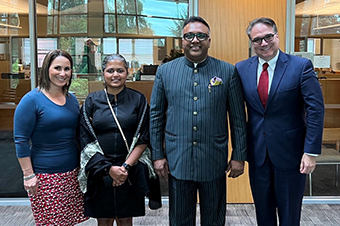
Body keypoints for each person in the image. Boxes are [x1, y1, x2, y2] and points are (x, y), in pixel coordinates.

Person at [149, 16, 247, 226]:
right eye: (189, 36)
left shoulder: (227, 71)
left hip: (214, 158)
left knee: (214, 219)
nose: (195, 40)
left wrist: (239, 155)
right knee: (180, 219)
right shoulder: (165, 72)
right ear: (182, 41)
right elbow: (156, 116)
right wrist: (157, 155)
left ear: (209, 40)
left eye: (201, 35)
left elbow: (238, 119)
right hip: (178, 159)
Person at [235, 17, 325, 226]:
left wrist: (310, 152)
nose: (264, 43)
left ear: (277, 36)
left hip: (292, 156)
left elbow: (315, 110)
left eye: (268, 37)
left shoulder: (301, 66)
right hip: (258, 155)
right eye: (257, 40)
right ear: (251, 42)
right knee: (263, 215)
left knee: (289, 216)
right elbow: (239, 113)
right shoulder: (241, 69)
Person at [79, 54, 158, 226]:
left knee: (125, 219)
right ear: (103, 73)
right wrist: (108, 169)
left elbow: (144, 136)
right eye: (110, 70)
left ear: (127, 72)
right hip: (100, 169)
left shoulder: (138, 100)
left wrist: (125, 168)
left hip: (130, 168)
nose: (115, 75)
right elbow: (85, 138)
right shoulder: (92, 101)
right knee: (104, 219)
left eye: (120, 70)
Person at [13, 49, 88, 225]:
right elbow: (21, 139)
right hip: (45, 176)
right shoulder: (31, 100)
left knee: (68, 221)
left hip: (72, 172)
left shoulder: (71, 99)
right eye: (57, 68)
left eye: (67, 69)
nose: (63, 73)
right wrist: (28, 175)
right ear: (47, 69)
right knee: (51, 222)